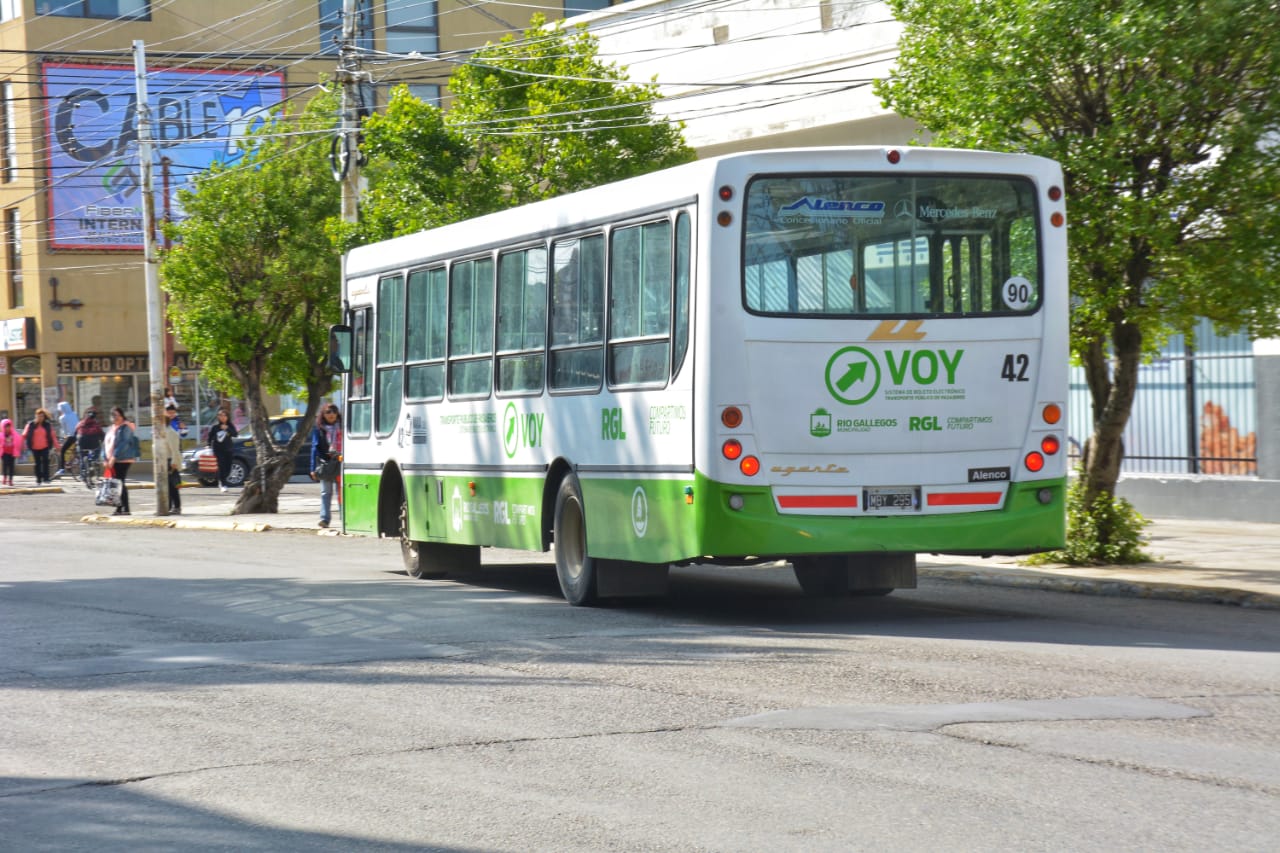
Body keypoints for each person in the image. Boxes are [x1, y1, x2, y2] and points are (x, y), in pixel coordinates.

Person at [310, 403, 342, 529]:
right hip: (326, 464)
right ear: (323, 414)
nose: (331, 414)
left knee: (342, 492)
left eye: (334, 411)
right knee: (325, 493)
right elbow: (315, 449)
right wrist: (313, 469)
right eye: (328, 412)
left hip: (340, 462)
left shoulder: (344, 427)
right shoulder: (319, 429)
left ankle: (344, 518)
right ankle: (324, 519)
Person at [104, 406, 139, 516]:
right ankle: (119, 508)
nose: (115, 418)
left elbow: (123, 443)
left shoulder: (125, 427)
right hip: (112, 460)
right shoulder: (112, 428)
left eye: (117, 415)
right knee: (116, 483)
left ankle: (125, 508)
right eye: (113, 415)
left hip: (123, 459)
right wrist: (105, 458)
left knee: (119, 482)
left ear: (122, 416)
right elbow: (105, 444)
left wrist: (114, 457)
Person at [156, 402, 183, 515]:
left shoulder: (170, 433)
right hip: (163, 460)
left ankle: (177, 506)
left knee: (173, 486)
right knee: (167, 486)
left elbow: (175, 449)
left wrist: (174, 463)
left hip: (170, 461)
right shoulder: (162, 432)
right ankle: (169, 506)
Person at [207, 407, 238, 492]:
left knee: (228, 468)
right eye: (220, 415)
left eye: (224, 415)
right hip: (218, 449)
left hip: (228, 449)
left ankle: (222, 478)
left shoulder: (230, 425)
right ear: (218, 417)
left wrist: (227, 428)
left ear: (227, 417)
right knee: (221, 466)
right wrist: (208, 445)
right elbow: (210, 437)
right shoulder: (215, 427)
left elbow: (235, 434)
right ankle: (223, 484)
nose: (222, 417)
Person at [22, 408, 56, 484]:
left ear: (44, 417)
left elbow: (52, 436)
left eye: (42, 416)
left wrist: (57, 446)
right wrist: (22, 445)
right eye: (39, 416)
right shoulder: (31, 424)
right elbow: (24, 435)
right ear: (36, 416)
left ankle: (46, 478)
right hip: (35, 447)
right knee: (37, 463)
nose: (40, 418)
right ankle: (38, 479)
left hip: (45, 447)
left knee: (46, 461)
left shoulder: (47, 425)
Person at [54, 401, 79, 477]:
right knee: (74, 449)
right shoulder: (74, 414)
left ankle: (62, 469)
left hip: (71, 436)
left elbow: (64, 430)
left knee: (63, 450)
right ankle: (75, 460)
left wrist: (64, 436)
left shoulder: (62, 418)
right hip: (79, 435)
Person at [0, 417, 23, 487]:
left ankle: (10, 480)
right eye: (6, 427)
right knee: (5, 465)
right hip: (4, 453)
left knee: (11, 467)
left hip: (12, 453)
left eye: (9, 426)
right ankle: (4, 477)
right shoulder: (1, 435)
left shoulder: (14, 434)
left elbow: (19, 441)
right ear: (3, 427)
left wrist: (18, 450)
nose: (7, 428)